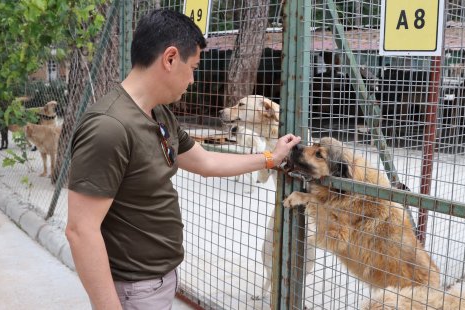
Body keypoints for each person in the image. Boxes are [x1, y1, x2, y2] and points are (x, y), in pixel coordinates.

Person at [65, 8, 301, 310]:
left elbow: (206, 163)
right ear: (170, 58)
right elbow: (80, 231)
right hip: (134, 289)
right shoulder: (109, 127)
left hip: (160, 280)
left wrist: (271, 157)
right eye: (193, 67)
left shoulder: (158, 112)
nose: (193, 79)